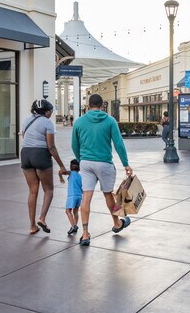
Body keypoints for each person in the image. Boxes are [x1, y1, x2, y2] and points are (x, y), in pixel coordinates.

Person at [72, 94, 133, 246]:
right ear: (102, 106)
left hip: (86, 163)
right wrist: (126, 164)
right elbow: (118, 144)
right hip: (104, 163)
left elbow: (74, 145)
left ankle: (85, 234)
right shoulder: (110, 121)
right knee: (108, 195)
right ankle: (117, 223)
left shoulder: (79, 122)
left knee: (86, 196)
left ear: (88, 106)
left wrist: (82, 160)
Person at [20, 99, 68, 235]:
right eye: (51, 111)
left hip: (26, 154)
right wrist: (61, 166)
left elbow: (25, 137)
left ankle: (32, 226)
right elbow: (51, 147)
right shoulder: (48, 123)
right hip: (40, 154)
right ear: (46, 111)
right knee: (48, 190)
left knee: (32, 191)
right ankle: (42, 218)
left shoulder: (25, 121)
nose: (51, 114)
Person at [62, 159, 82, 235]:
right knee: (75, 211)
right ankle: (75, 226)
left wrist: (60, 177)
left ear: (71, 167)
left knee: (68, 211)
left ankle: (73, 226)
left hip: (72, 195)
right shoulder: (80, 176)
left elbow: (61, 172)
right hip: (79, 196)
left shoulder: (70, 173)